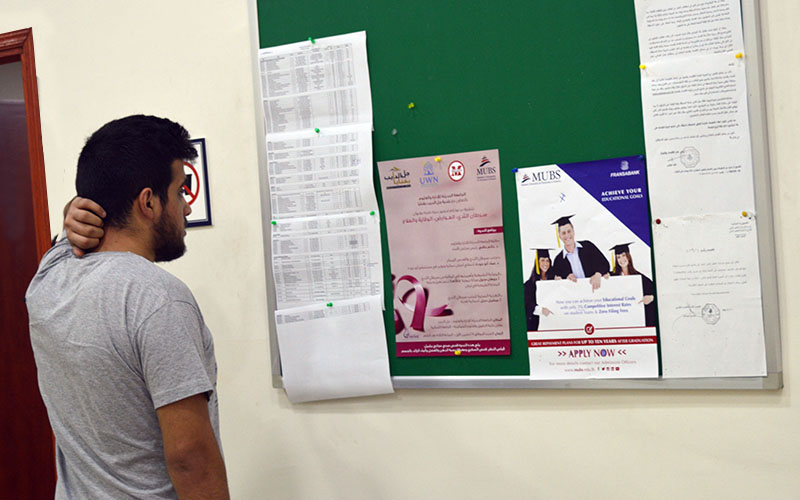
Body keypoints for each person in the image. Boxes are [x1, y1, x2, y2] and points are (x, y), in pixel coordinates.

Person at [25, 115, 229, 499]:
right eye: (180, 192)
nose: (186, 208)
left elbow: (67, 233)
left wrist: (72, 211)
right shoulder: (158, 298)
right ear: (148, 202)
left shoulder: (47, 279)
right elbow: (190, 458)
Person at [550, 215, 610, 290]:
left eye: (569, 231)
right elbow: (557, 279)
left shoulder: (588, 247)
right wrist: (566, 277)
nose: (567, 235)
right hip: (575, 295)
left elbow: (605, 264)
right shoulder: (558, 260)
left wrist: (598, 274)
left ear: (573, 231)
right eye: (563, 233)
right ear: (560, 236)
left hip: (594, 291)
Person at [610, 243, 656, 328]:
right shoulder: (612, 277)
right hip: (619, 319)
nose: (621, 259)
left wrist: (651, 297)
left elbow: (656, 291)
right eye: (618, 257)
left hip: (637, 319)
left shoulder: (639, 277)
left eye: (623, 255)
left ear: (628, 256)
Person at [523, 249, 555, 331]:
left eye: (547, 261)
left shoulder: (554, 280)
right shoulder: (529, 284)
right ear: (537, 263)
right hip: (536, 323)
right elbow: (527, 304)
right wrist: (540, 310)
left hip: (553, 321)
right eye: (542, 260)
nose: (545, 263)